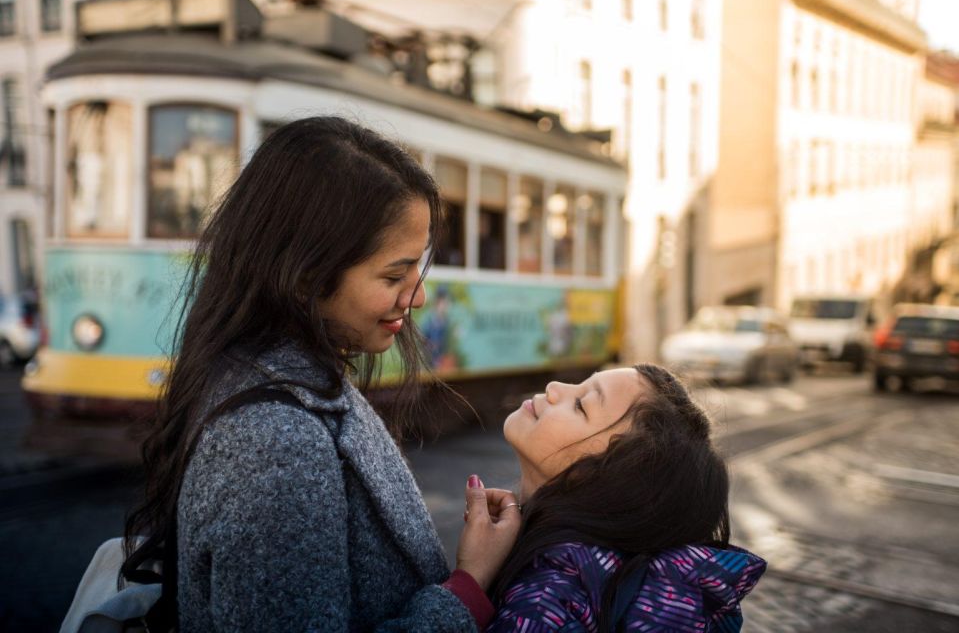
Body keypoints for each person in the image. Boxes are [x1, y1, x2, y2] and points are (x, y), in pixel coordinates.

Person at [121, 116, 521, 632]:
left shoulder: (275, 382)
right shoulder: (275, 437)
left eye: (416, 271)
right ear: (306, 275)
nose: (417, 296)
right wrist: (467, 587)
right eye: (394, 275)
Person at [486, 364, 766, 632]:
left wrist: (468, 583)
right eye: (578, 386)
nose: (554, 387)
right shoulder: (592, 576)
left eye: (581, 405)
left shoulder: (545, 604)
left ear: (614, 479)